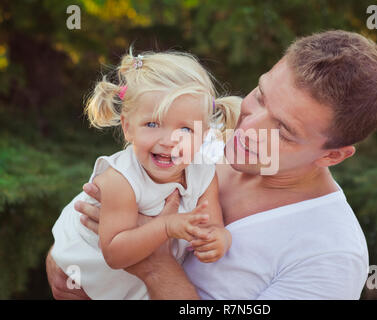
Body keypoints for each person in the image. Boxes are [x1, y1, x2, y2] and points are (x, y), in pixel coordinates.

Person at [47, 30, 377, 299]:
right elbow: (97, 205)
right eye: (260, 96)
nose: (246, 129)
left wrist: (154, 266)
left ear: (332, 155)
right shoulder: (199, 136)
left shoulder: (329, 255)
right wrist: (67, 256)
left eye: (283, 130)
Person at [50, 50, 241, 299]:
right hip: (89, 264)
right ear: (127, 127)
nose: (169, 141)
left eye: (185, 128)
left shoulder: (204, 174)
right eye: (152, 124)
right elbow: (115, 254)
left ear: (204, 135)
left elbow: (212, 225)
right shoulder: (121, 180)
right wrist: (165, 226)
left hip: (139, 277)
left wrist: (219, 239)